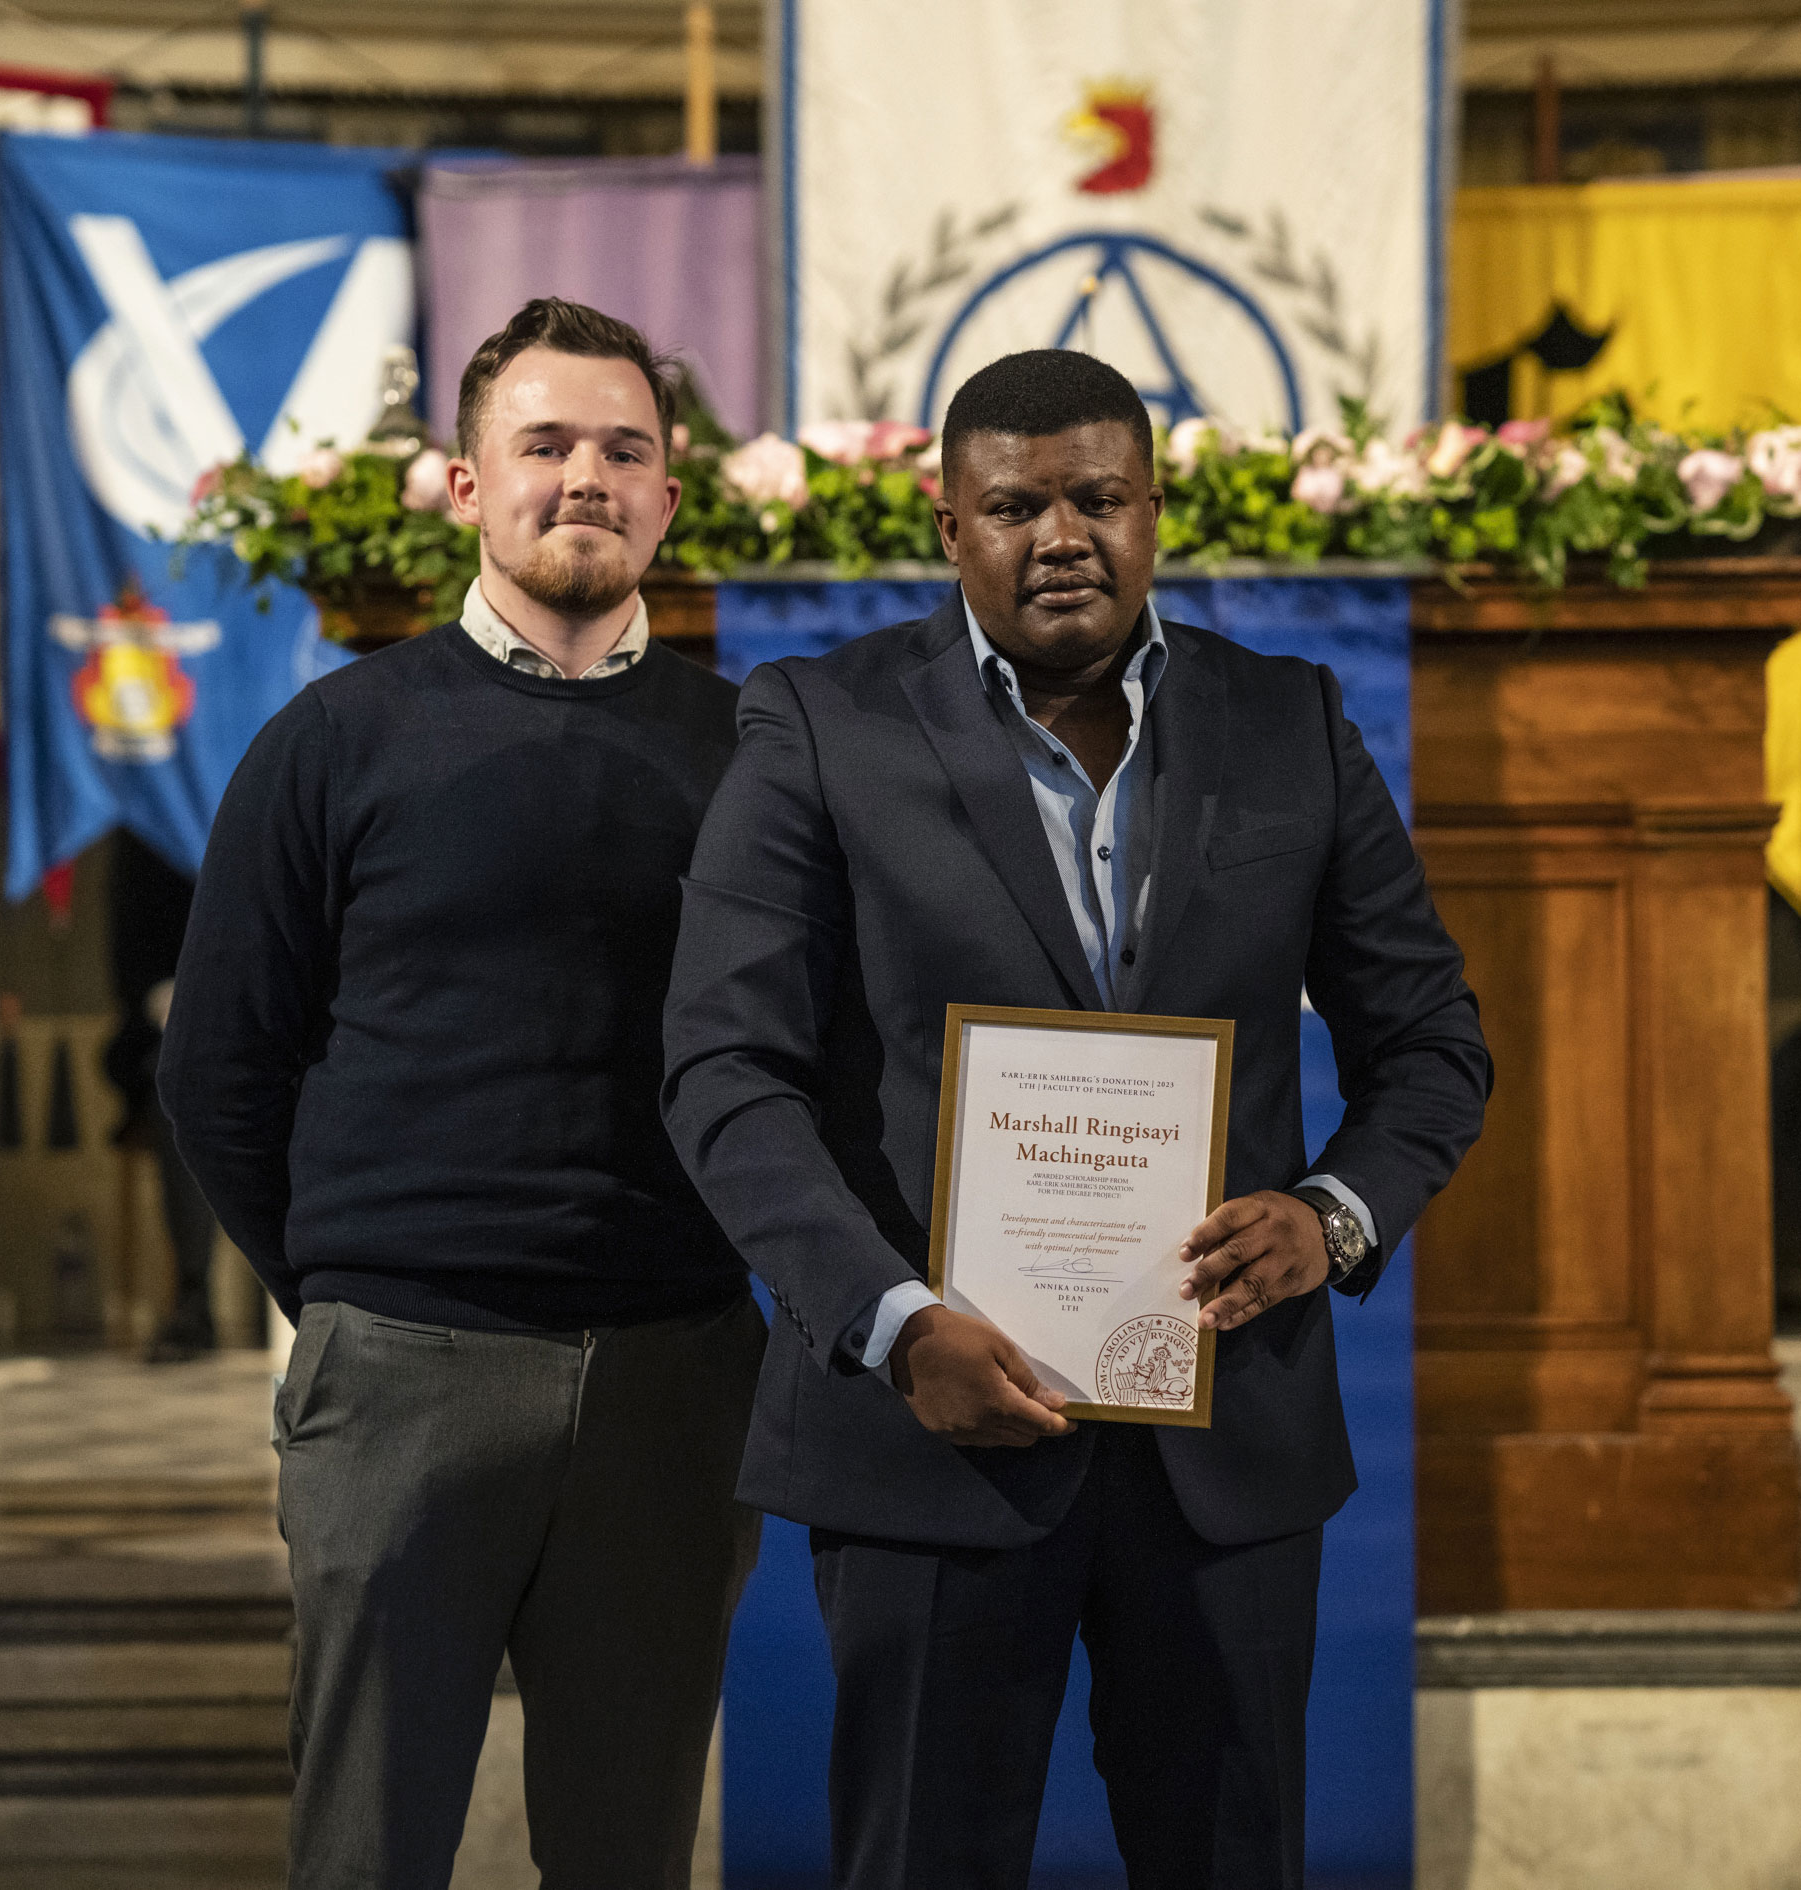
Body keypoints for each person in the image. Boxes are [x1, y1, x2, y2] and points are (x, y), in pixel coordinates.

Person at [662, 350, 1492, 1889]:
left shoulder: (1286, 721)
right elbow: (723, 1072)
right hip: (925, 1430)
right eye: (1015, 504)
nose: (1060, 535)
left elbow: (1432, 1045)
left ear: (1153, 510)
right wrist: (896, 1320)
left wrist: (1329, 1215)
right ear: (946, 523)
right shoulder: (817, 724)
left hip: (1224, 1434)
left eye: (1097, 498)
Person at [159, 298, 760, 1890]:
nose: (585, 478)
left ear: (668, 500)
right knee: (365, 1851)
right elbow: (218, 1066)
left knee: (627, 1853)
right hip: (403, 1378)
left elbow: (816, 1053)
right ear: (462, 486)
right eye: (544, 444)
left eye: (623, 451)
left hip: (674, 1378)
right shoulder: (329, 743)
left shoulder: (753, 752)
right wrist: (364, 1291)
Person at [100, 830, 222, 1363]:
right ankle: (194, 1297)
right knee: (180, 1081)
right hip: (177, 1016)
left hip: (274, 1004)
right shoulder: (149, 823)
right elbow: (134, 953)